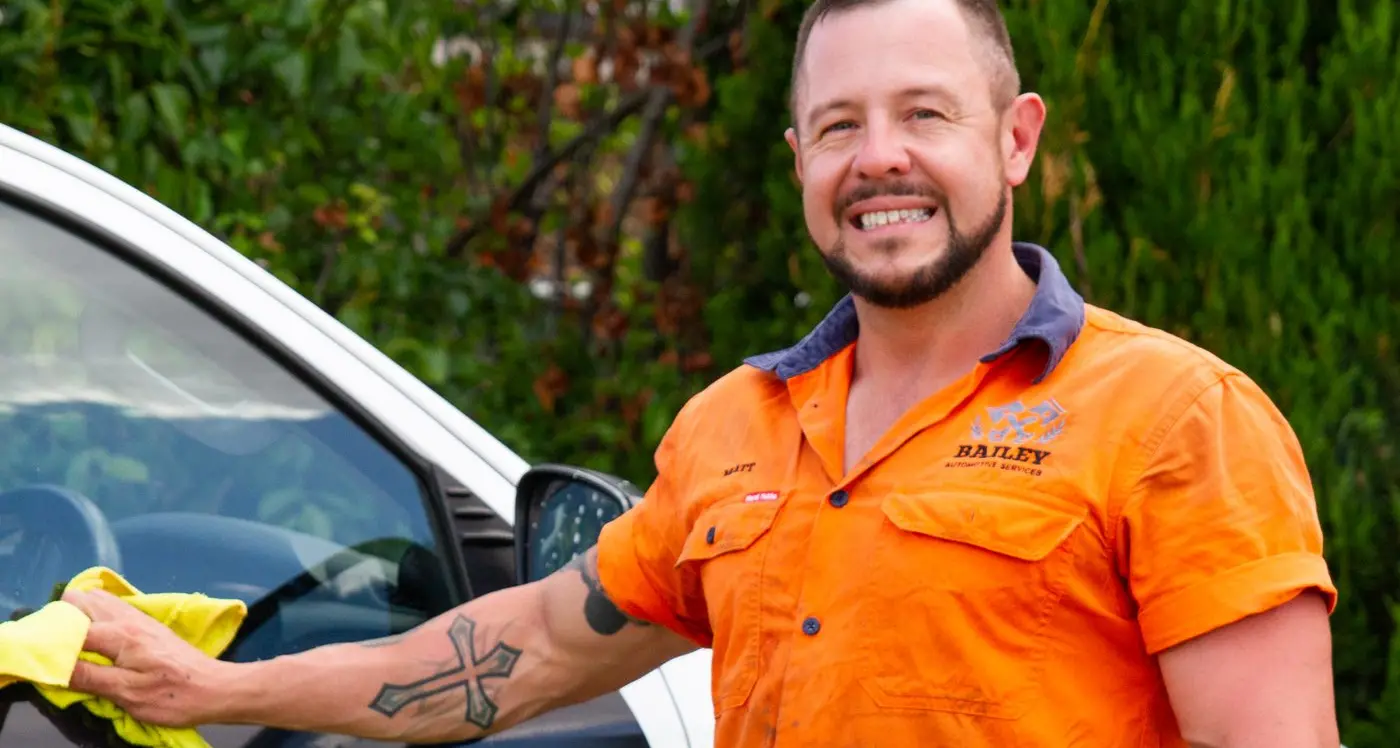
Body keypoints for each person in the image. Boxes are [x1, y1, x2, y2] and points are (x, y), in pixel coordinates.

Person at [61, 0, 1341, 745]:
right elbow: (541, 634)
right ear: (797, 159)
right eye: (839, 126)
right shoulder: (737, 425)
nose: (876, 158)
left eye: (924, 115)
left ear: (1014, 141)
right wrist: (222, 687)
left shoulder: (1176, 418)